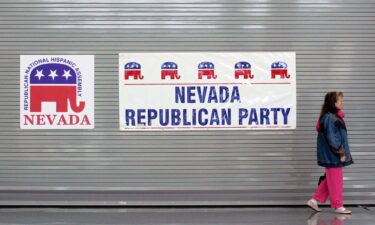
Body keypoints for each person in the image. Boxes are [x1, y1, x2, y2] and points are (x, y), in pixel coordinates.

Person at [307, 91, 354, 214]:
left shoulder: (334, 117)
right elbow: (331, 138)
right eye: (340, 100)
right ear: (333, 103)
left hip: (332, 154)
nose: (342, 102)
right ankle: (338, 205)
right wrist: (341, 152)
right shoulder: (330, 117)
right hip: (333, 155)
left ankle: (315, 200)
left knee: (330, 180)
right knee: (336, 180)